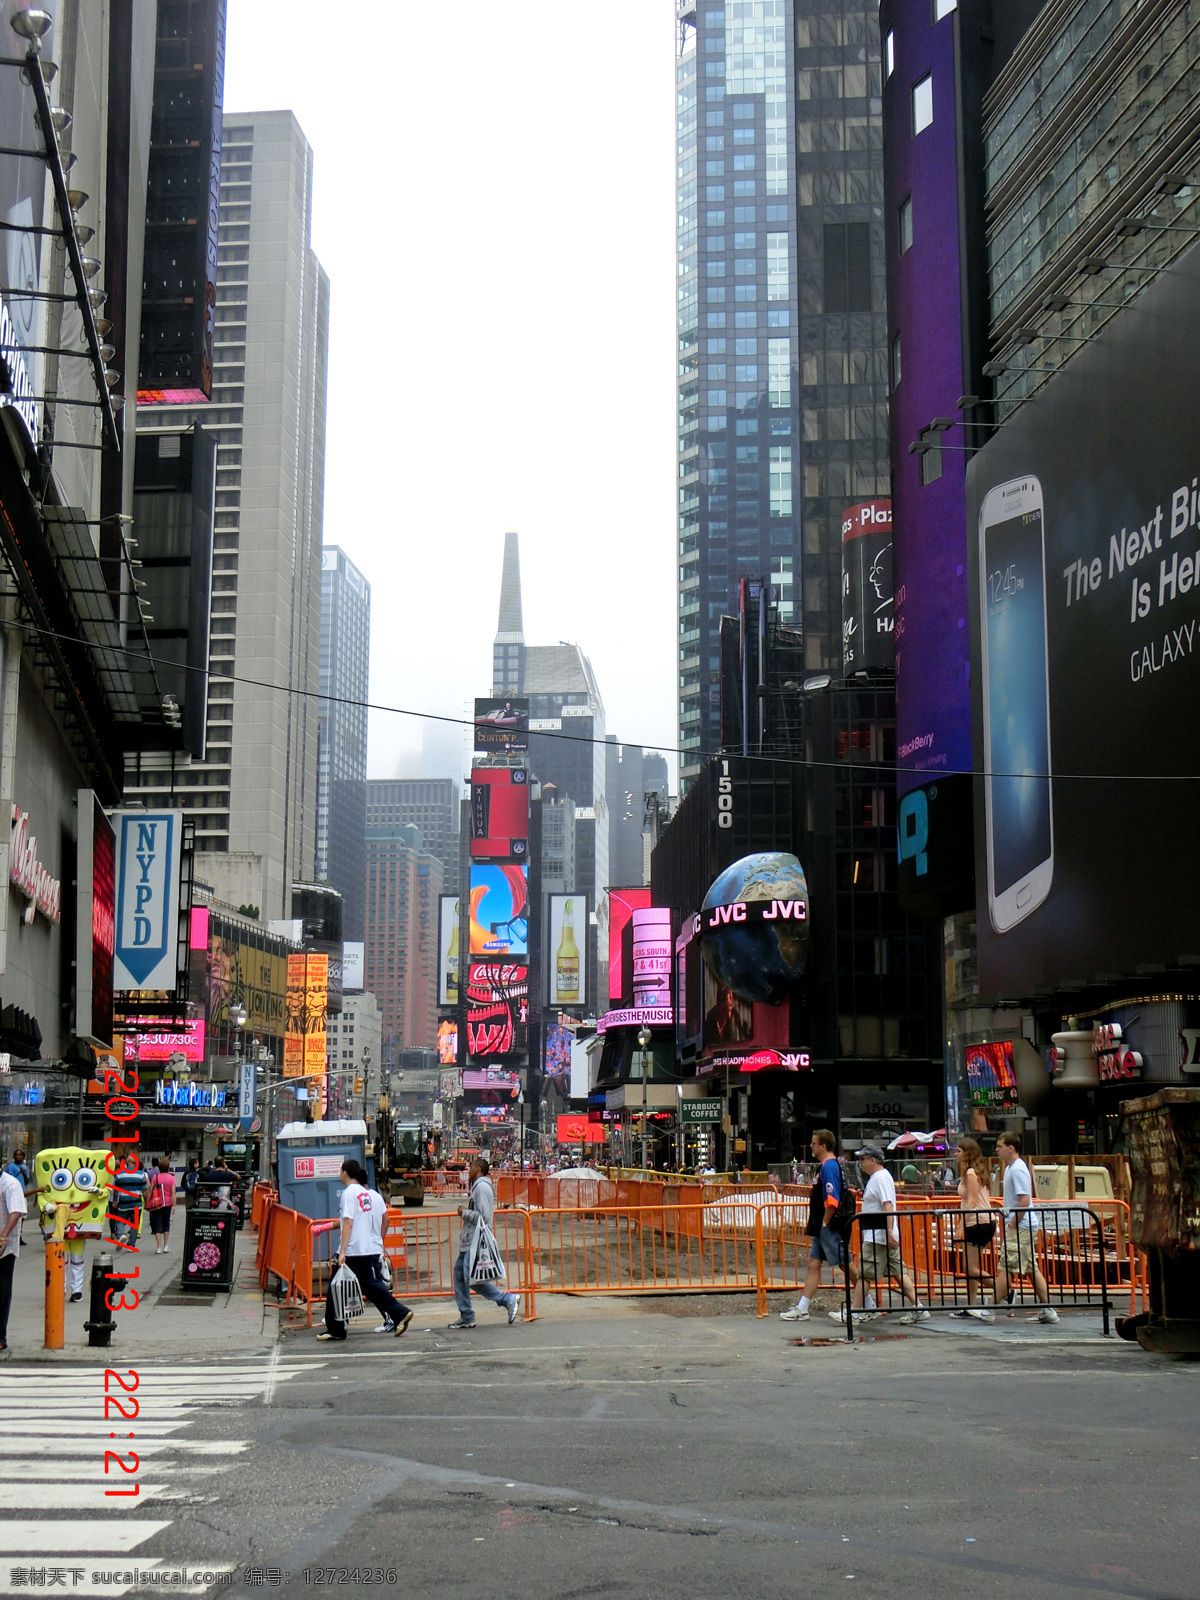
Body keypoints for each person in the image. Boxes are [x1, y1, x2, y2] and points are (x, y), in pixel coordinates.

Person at [318, 1160, 413, 1343]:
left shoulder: (349, 1194)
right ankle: (400, 1313)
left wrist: (343, 1250)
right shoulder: (366, 1194)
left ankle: (336, 1328)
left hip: (354, 1248)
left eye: (340, 1171)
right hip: (367, 1247)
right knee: (370, 1285)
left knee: (335, 1287)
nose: (339, 1174)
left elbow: (348, 1222)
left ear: (345, 1172)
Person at [833, 1145, 929, 1325]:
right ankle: (918, 1308)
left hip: (878, 1235)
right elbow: (885, 1204)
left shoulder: (880, 1179)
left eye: (863, 1158)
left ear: (873, 1160)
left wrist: (889, 1231)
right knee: (899, 1272)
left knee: (865, 1275)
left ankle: (853, 1313)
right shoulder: (879, 1178)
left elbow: (888, 1205)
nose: (860, 1162)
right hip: (882, 1235)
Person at [781, 1130, 856, 1322]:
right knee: (814, 1263)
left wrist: (824, 1222)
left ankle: (867, 1303)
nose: (811, 1146)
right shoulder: (827, 1166)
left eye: (814, 1143)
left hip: (827, 1225)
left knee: (844, 1263)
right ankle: (803, 1307)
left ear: (824, 1146)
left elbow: (832, 1199)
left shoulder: (829, 1167)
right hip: (821, 1225)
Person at [447, 1157, 520, 1330]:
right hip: (470, 1239)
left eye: (471, 1166)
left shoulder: (481, 1187)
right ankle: (466, 1315)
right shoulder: (478, 1187)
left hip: (475, 1240)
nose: (468, 1169)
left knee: (470, 1278)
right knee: (460, 1275)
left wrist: (464, 1212)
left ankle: (506, 1299)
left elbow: (484, 1216)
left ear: (478, 1169)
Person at [993, 1133, 1058, 1324]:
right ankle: (1048, 1309)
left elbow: (1024, 1200)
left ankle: (989, 1308)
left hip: (1021, 1225)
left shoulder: (1017, 1169)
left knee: (1006, 1266)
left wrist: (1013, 1221)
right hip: (1024, 1224)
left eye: (1000, 1146)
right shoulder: (1014, 1168)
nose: (996, 1149)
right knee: (1031, 1268)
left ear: (1011, 1148)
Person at [951, 1138, 996, 1322]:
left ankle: (1004, 1290)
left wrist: (960, 1225)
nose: (955, 1154)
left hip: (978, 1221)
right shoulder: (972, 1171)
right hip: (978, 1221)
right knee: (971, 1268)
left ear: (967, 1153)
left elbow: (971, 1200)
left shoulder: (971, 1172)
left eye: (959, 1151)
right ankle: (970, 1305)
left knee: (969, 1268)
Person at [0, 1160, 26, 1350]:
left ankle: (0, 1337)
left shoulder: (9, 1184)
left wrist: (3, 1235)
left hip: (3, 1249)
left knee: (1, 1292)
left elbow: (16, 1210)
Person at [108, 1157, 149, 1264]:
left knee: (120, 1220)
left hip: (123, 1202)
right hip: (136, 1203)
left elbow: (116, 1189)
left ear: (126, 1162)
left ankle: (121, 1234)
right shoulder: (141, 1174)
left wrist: (115, 1201)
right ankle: (131, 1245)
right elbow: (144, 1190)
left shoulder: (120, 1174)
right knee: (134, 1224)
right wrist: (146, 1201)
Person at [147, 1158, 176, 1254]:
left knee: (157, 1224)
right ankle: (166, 1245)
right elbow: (173, 1193)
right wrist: (174, 1205)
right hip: (167, 1203)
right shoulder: (171, 1178)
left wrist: (148, 1202)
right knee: (166, 1223)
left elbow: (151, 1190)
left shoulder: (155, 1177)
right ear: (168, 1168)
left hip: (157, 1203)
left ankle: (158, 1247)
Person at [5, 1149, 29, 1243]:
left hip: (22, 1193)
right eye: (16, 1155)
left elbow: (26, 1181)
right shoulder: (11, 1166)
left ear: (23, 1157)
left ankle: (19, 1235)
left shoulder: (24, 1167)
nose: (18, 1157)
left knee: (22, 1216)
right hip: (13, 1193)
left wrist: (23, 1173)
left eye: (20, 1155)